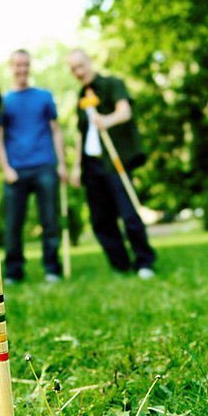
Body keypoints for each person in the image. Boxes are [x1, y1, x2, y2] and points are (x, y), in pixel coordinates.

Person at [67, 49, 156, 279]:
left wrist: (106, 120)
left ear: (90, 61)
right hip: (92, 165)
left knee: (128, 213)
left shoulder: (112, 84)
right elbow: (80, 134)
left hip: (115, 159)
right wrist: (76, 166)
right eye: (73, 69)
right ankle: (121, 265)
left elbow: (124, 112)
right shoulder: (80, 97)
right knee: (100, 219)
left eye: (80, 66)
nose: (78, 72)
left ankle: (144, 261)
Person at [0, 49, 67, 283]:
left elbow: (56, 131)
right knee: (13, 224)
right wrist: (6, 168)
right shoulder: (3, 102)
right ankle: (14, 272)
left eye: (25, 64)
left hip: (45, 165)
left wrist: (62, 164)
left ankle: (52, 269)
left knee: (50, 221)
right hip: (16, 170)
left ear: (30, 66)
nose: (22, 69)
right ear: (10, 66)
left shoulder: (44, 96)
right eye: (17, 65)